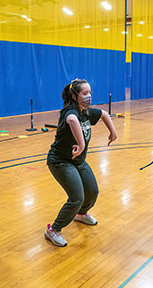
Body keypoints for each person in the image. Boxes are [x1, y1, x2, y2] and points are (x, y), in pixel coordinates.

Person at [44, 79, 117, 247]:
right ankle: (53, 230)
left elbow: (104, 114)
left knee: (92, 192)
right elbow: (71, 120)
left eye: (90, 92)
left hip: (78, 161)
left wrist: (112, 132)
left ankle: (81, 214)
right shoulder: (70, 111)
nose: (88, 96)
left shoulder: (85, 112)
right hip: (60, 161)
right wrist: (82, 143)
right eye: (85, 93)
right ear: (74, 95)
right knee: (77, 197)